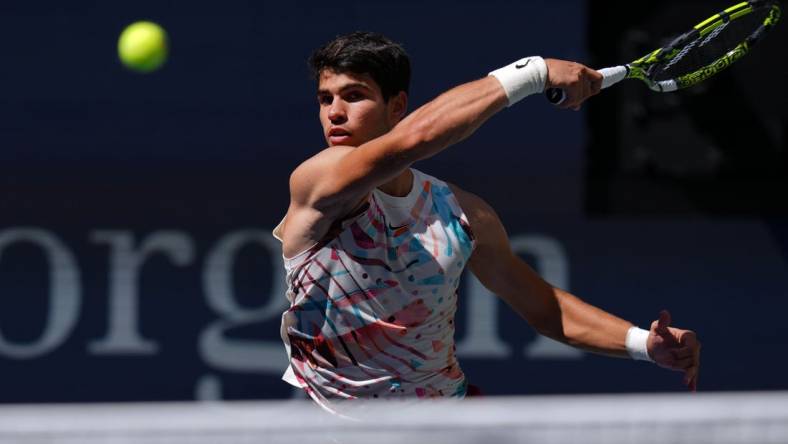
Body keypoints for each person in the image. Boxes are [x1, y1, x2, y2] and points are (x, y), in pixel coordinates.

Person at [273, 31, 700, 412]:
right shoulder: (319, 180)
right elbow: (414, 140)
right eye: (326, 99)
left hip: (447, 420)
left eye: (355, 95)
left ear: (397, 105)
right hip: (332, 427)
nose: (335, 112)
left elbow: (542, 307)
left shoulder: (461, 211)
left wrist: (643, 343)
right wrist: (534, 72)